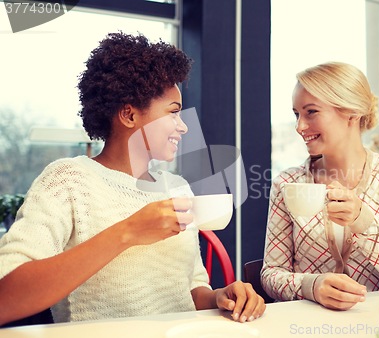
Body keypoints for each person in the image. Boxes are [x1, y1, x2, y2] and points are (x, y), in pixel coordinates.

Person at [0, 32, 265, 326]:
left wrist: (218, 297)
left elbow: (190, 289)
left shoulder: (175, 187)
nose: (183, 126)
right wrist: (127, 232)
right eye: (173, 113)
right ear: (128, 114)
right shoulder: (69, 180)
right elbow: (6, 298)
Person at [261, 62, 379, 311]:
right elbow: (271, 273)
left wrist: (362, 221)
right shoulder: (287, 183)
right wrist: (310, 286)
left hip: (374, 324)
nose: (299, 127)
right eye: (296, 114)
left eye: (311, 112)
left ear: (352, 113)